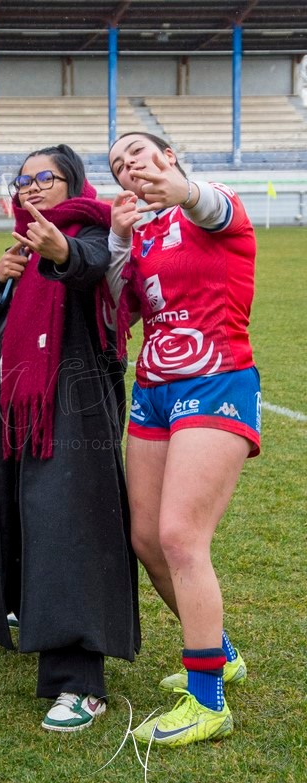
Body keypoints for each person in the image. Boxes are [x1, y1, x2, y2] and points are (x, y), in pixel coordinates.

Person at [0, 144, 141, 732]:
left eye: (46, 177)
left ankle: (79, 681)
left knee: (70, 525)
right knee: (19, 513)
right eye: (24, 179)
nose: (32, 187)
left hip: (74, 406)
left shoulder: (93, 230)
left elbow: (93, 265)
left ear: (73, 184)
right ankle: (26, 612)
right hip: (14, 406)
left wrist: (58, 249)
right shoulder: (20, 248)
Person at [107, 132, 260, 746]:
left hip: (217, 378)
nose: (130, 167)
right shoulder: (142, 236)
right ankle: (219, 652)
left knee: (180, 536)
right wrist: (118, 241)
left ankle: (208, 702)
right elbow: (118, 312)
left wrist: (184, 191)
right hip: (153, 390)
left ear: (169, 155)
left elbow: (213, 209)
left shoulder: (213, 200)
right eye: (119, 165)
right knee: (146, 537)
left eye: (139, 154)